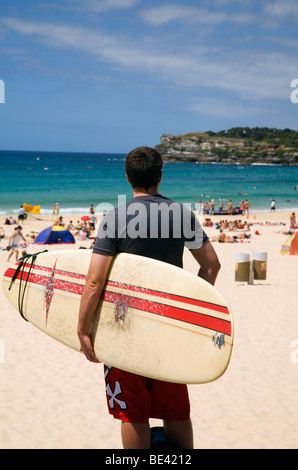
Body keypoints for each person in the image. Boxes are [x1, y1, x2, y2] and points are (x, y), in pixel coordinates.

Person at [77, 146, 221, 449]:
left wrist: (82, 329)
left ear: (128, 177)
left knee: (133, 413)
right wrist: (193, 308)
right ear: (160, 176)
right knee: (176, 409)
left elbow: (94, 282)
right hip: (169, 327)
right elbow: (211, 265)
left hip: (124, 328)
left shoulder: (114, 218)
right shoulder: (181, 214)